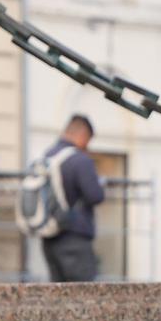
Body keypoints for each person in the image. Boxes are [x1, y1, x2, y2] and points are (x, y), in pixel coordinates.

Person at [41, 114, 106, 282]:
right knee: (84, 295)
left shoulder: (47, 156)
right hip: (75, 238)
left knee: (58, 295)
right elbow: (95, 196)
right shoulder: (80, 160)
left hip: (49, 237)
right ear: (83, 135)